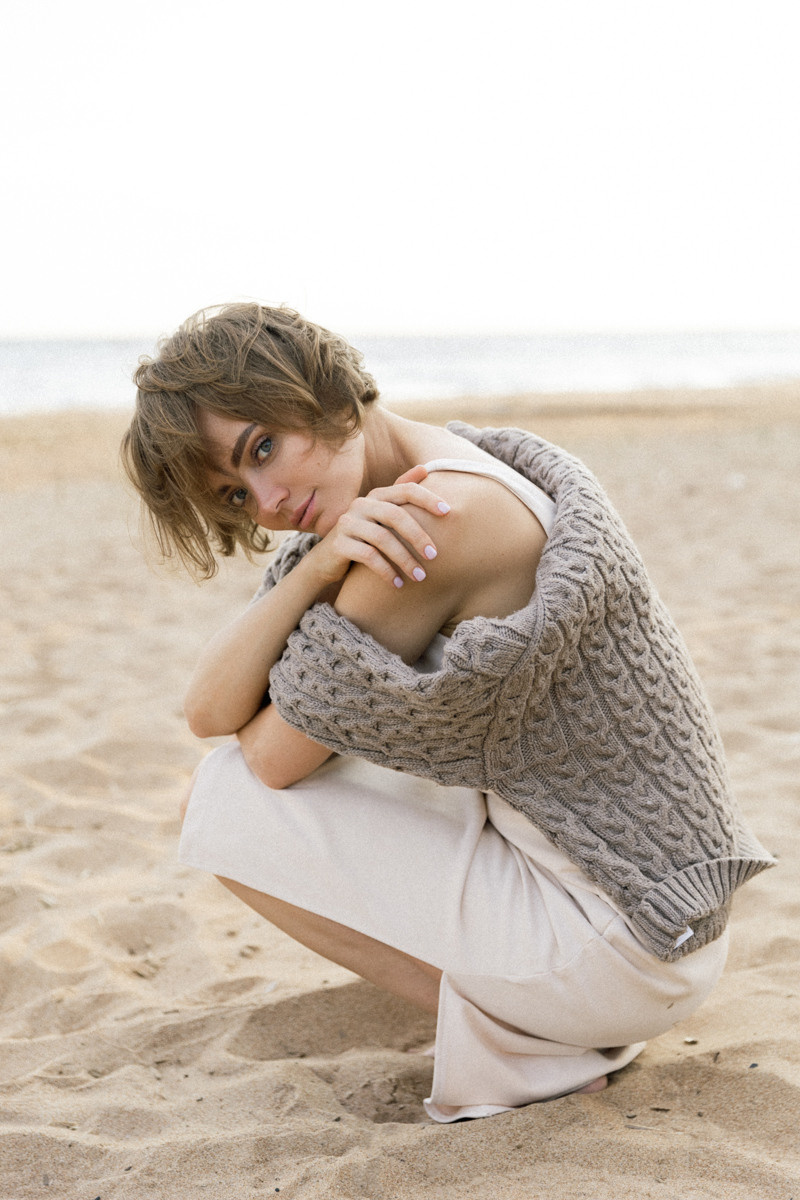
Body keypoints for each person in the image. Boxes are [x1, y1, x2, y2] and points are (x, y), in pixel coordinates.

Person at [121, 302, 774, 1122]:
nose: (270, 500)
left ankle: (531, 1041)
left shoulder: (428, 525)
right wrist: (313, 569)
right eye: (234, 492)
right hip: (667, 921)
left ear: (318, 388)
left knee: (222, 800)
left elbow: (265, 759)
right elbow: (207, 709)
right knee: (286, 767)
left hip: (625, 950)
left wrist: (319, 582)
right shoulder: (450, 462)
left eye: (261, 448)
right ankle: (530, 1024)